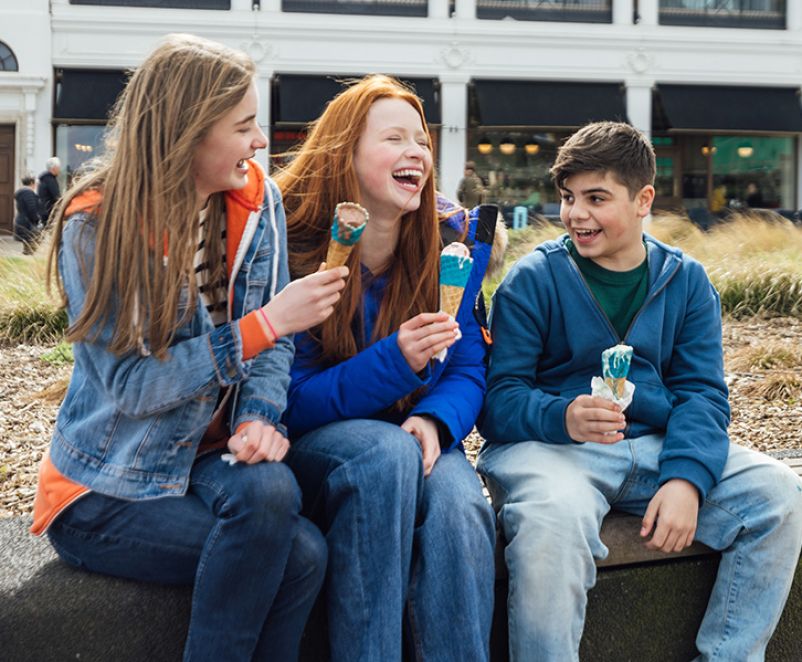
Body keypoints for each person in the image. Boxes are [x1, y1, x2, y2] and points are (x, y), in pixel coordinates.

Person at [30, 34, 349, 661]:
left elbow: (275, 348)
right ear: (188, 132)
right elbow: (135, 387)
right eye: (245, 125)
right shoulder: (96, 224)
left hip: (204, 458)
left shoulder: (261, 200)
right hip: (106, 485)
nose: (261, 141)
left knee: (282, 504)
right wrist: (264, 326)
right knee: (299, 554)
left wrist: (258, 416)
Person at [477, 121, 802, 661]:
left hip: (654, 447)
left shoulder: (688, 281)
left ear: (643, 199)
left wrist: (686, 478)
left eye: (596, 198)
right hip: (552, 453)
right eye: (568, 198)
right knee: (550, 523)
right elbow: (498, 400)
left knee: (779, 496)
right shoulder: (533, 279)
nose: (577, 213)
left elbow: (702, 395)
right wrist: (563, 416)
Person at [275, 75, 497, 661]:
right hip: (316, 452)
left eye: (421, 141)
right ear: (343, 155)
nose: (416, 153)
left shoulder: (450, 247)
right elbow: (288, 401)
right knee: (383, 456)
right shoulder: (291, 248)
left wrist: (435, 421)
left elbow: (468, 366)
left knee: (460, 504)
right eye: (393, 139)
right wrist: (394, 362)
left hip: (413, 432)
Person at [13, 174, 42, 254]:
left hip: (22, 221)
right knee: (31, 249)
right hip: (27, 224)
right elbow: (31, 209)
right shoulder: (28, 193)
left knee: (28, 248)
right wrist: (37, 220)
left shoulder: (22, 193)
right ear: (32, 183)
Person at [38, 156, 61, 224]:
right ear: (53, 168)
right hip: (49, 211)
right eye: (58, 167)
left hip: (44, 210)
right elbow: (56, 196)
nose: (59, 170)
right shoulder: (50, 180)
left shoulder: (44, 179)